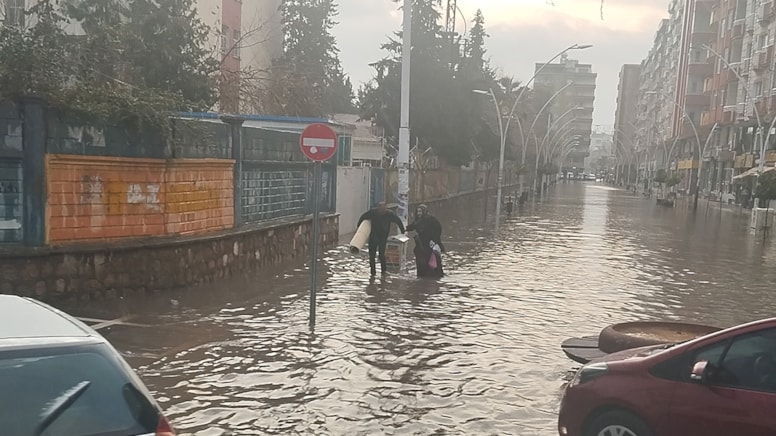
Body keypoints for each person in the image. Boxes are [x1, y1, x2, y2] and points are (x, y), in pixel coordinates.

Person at [357, 202, 405, 276]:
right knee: (372, 255)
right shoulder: (373, 212)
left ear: (386, 209)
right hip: (373, 236)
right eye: (381, 209)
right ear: (378, 208)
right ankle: (373, 273)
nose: (382, 211)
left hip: (383, 237)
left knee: (381, 254)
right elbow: (363, 217)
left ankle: (383, 272)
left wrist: (402, 230)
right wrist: (359, 228)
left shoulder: (389, 214)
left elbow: (397, 221)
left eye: (384, 209)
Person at [406, 204, 445, 278]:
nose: (418, 213)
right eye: (417, 211)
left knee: (432, 260)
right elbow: (412, 227)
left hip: (430, 244)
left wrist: (434, 240)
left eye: (420, 211)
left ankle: (433, 275)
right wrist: (403, 228)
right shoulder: (418, 221)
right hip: (421, 245)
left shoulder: (431, 219)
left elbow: (438, 229)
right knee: (422, 261)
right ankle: (424, 276)